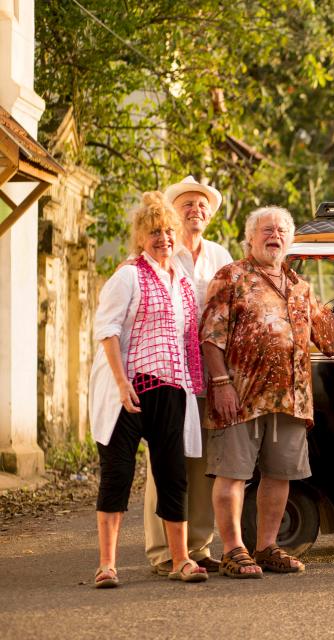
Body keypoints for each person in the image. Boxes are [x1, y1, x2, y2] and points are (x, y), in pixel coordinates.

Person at [201, 206, 334, 578]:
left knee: (280, 474)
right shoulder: (232, 277)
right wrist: (221, 383)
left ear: (290, 240)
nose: (274, 235)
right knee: (233, 474)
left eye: (281, 231)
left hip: (291, 397)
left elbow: (329, 328)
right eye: (266, 230)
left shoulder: (299, 287)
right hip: (241, 395)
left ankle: (267, 547)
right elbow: (211, 335)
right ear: (251, 238)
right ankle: (232, 550)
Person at [88, 192, 209, 587]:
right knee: (117, 474)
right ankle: (107, 565)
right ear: (141, 237)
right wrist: (122, 385)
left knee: (173, 474)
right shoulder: (128, 275)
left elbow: (185, 336)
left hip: (171, 389)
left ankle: (181, 560)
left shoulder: (183, 282)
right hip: (129, 390)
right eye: (155, 232)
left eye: (169, 232)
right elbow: (107, 330)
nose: (164, 239)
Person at [142, 176, 233, 577]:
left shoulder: (220, 255)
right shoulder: (162, 251)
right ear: (174, 213)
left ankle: (198, 545)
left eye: (201, 205)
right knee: (165, 458)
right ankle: (163, 550)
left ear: (210, 215)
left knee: (202, 460)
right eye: (187, 205)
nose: (195, 210)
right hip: (167, 371)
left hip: (211, 371)